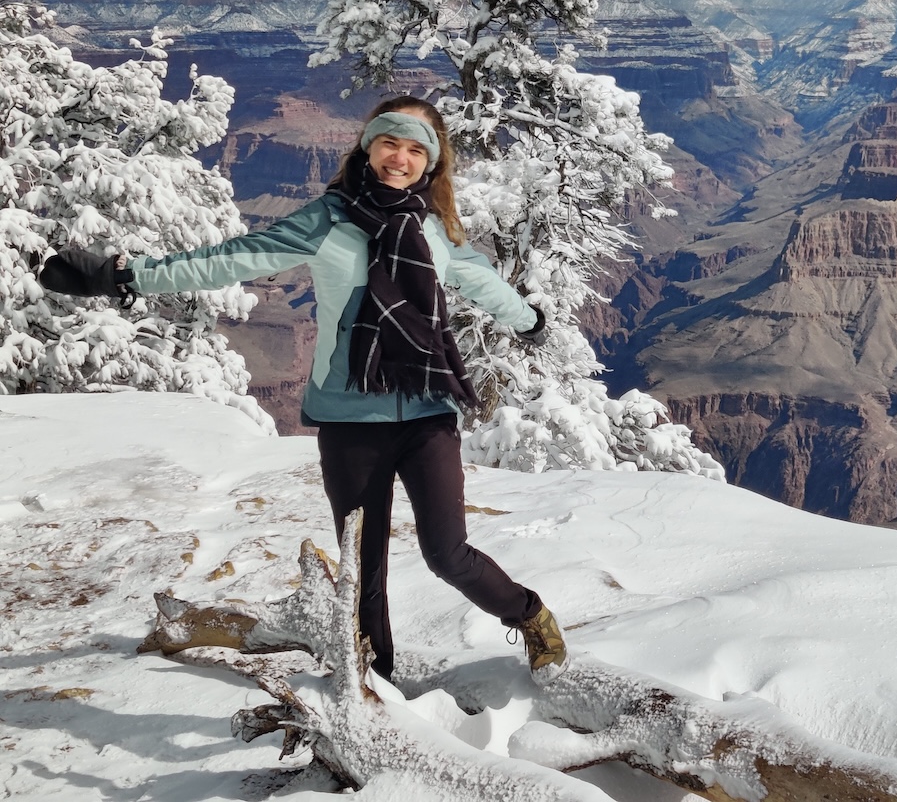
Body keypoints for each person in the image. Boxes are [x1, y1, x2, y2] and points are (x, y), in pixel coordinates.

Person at [39, 95, 568, 685]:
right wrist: (124, 276)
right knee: (362, 571)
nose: (401, 157)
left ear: (432, 164)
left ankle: (530, 615)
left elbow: (482, 281)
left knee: (447, 553)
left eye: (417, 149)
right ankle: (376, 692)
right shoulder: (327, 221)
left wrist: (531, 320)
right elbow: (227, 260)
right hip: (348, 418)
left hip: (427, 411)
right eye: (391, 142)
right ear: (369, 147)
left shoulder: (433, 229)